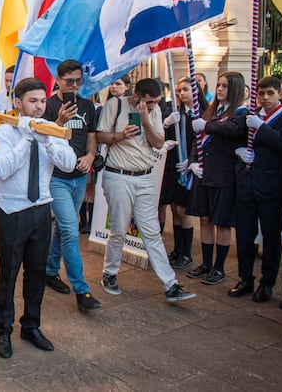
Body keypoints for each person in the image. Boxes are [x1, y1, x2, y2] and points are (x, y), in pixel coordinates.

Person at [0, 78, 76, 359]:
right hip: (12, 211)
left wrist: (47, 141)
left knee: (37, 272)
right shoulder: (5, 131)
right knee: (9, 272)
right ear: (18, 102)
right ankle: (3, 331)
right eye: (32, 101)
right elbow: (1, 170)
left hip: (41, 208)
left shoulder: (52, 130)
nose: (39, 107)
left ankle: (31, 325)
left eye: (42, 101)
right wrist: (27, 138)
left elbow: (69, 163)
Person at [95, 78, 196, 302]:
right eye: (149, 102)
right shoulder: (116, 105)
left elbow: (158, 143)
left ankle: (170, 284)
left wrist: (146, 121)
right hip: (118, 174)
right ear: (136, 95)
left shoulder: (155, 111)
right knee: (119, 229)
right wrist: (121, 136)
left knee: (151, 231)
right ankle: (110, 273)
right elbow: (100, 135)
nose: (152, 106)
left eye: (156, 102)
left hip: (145, 176)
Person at [39, 60, 102, 312]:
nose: (74, 86)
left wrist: (89, 157)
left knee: (63, 230)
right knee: (71, 229)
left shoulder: (87, 105)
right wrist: (60, 121)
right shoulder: (48, 106)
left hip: (79, 177)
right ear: (58, 80)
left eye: (77, 81)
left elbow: (92, 139)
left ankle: (50, 270)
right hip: (56, 177)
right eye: (69, 81)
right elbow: (43, 139)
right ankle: (82, 289)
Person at [228, 76, 282, 302]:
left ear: (280, 94)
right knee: (245, 234)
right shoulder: (250, 115)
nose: (265, 98)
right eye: (262, 94)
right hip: (247, 183)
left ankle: (267, 282)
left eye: (270, 94)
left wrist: (262, 127)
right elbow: (236, 138)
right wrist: (239, 151)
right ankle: (246, 278)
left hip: (272, 185)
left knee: (270, 236)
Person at [184, 72, 246, 285]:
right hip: (204, 172)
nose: (220, 89)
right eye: (219, 85)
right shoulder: (211, 110)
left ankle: (219, 268)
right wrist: (193, 161)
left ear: (235, 89)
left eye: (225, 86)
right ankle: (206, 264)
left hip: (223, 174)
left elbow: (235, 129)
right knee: (205, 219)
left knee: (221, 222)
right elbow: (197, 141)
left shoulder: (240, 112)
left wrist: (207, 126)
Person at [160, 77, 206, 271]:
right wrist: (167, 124)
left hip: (190, 165)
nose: (181, 93)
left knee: (182, 210)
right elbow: (164, 135)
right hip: (173, 164)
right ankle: (178, 250)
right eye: (179, 90)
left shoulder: (202, 113)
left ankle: (186, 253)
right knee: (173, 207)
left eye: (185, 89)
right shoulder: (175, 112)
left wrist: (192, 161)